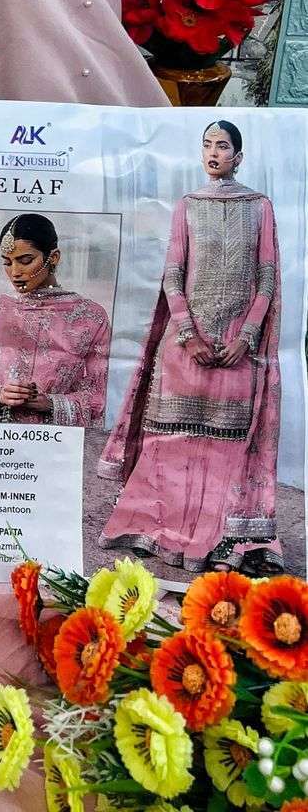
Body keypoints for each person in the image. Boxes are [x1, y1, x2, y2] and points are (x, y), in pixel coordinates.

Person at [98, 120, 282, 572]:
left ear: (238, 157)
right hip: (185, 348)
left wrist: (246, 338)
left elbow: (266, 279)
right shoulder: (188, 205)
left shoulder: (260, 207)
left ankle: (221, 541)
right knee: (170, 441)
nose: (214, 153)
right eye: (207, 145)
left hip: (238, 350)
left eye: (223, 146)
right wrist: (187, 334)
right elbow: (173, 275)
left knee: (227, 446)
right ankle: (155, 531)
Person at [0, 213, 111, 426]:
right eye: (7, 262)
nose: (15, 272)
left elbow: (99, 395)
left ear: (53, 257)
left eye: (25, 261)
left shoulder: (90, 317)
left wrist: (52, 404)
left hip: (57, 440)